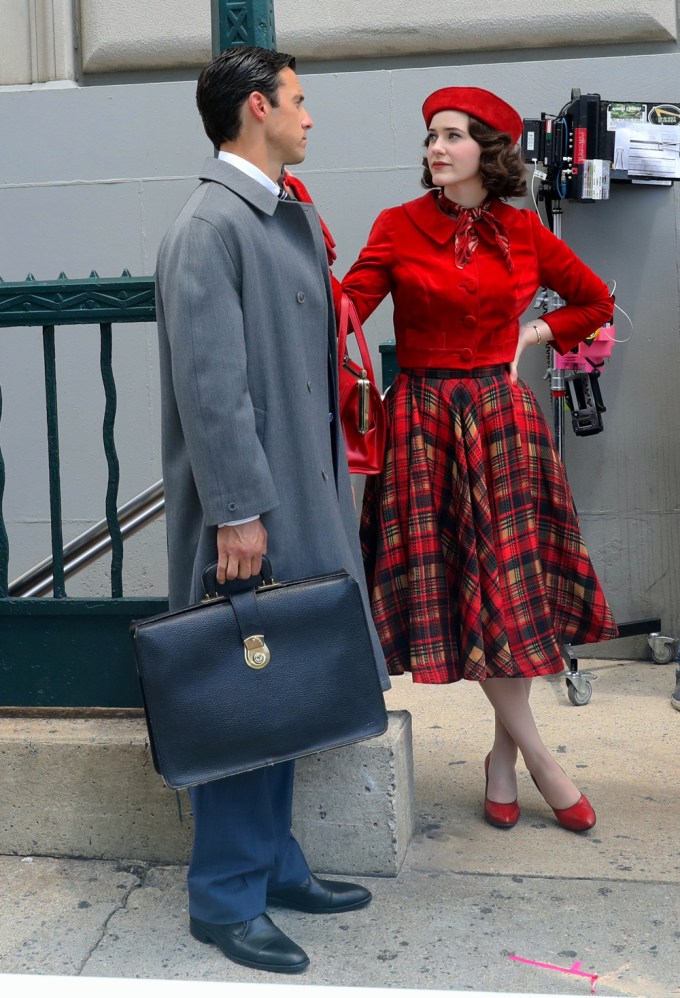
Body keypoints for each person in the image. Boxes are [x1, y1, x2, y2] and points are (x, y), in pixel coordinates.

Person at [155, 45, 388, 975]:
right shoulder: (212, 226)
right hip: (252, 511)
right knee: (239, 689)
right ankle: (224, 897)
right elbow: (213, 393)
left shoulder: (278, 211)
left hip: (298, 492)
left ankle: (276, 864)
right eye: (299, 101)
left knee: (281, 685)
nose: (310, 116)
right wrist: (240, 512)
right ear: (257, 109)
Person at [340, 86, 618, 834]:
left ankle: (503, 760)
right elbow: (346, 307)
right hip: (424, 423)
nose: (436, 147)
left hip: (500, 420)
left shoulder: (525, 233)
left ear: (487, 152)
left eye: (453, 136)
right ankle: (543, 760)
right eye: (431, 135)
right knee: (477, 587)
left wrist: (532, 337)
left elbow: (593, 302)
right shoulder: (398, 226)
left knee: (508, 592)